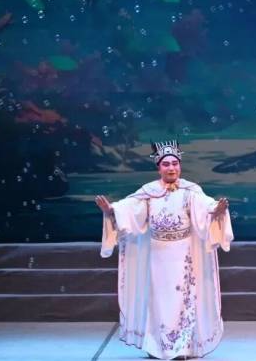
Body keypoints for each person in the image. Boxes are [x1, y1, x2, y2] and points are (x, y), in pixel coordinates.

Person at [95, 140, 234, 360]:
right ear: (158, 167)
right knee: (159, 301)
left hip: (184, 256)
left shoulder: (190, 191)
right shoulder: (149, 192)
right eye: (166, 164)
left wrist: (217, 209)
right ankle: (157, 346)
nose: (171, 168)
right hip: (158, 257)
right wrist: (111, 210)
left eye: (175, 164)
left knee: (184, 301)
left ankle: (183, 347)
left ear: (180, 166)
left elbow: (206, 206)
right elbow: (128, 209)